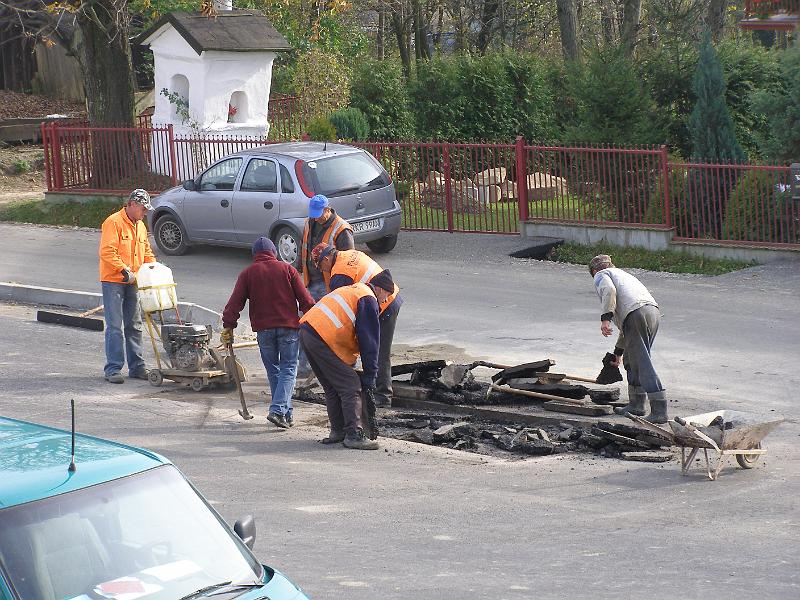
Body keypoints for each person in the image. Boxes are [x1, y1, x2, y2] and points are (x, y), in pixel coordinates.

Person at [221, 237, 315, 429]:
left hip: (264, 330)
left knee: (275, 371)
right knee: (289, 368)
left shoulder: (248, 273)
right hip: (288, 328)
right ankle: (278, 410)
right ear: (274, 252)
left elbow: (234, 304)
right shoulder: (287, 269)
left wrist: (228, 325)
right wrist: (316, 320)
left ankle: (285, 414)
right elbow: (306, 300)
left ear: (255, 255)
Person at [299, 275, 396, 450]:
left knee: (332, 386)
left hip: (308, 333)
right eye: (387, 296)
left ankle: (338, 432)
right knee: (351, 385)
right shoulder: (368, 299)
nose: (385, 301)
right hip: (322, 337)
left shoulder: (355, 291)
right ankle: (354, 435)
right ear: (380, 289)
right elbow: (369, 343)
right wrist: (370, 376)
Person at [313, 244, 402, 408]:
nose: (322, 271)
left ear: (326, 259)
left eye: (320, 266)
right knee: (375, 348)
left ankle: (383, 396)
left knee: (378, 350)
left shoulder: (339, 275)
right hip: (389, 295)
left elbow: (346, 310)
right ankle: (375, 388)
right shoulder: (348, 254)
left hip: (384, 302)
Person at [589, 254, 667, 424]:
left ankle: (659, 410)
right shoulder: (622, 275)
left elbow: (609, 291)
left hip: (636, 314)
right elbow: (626, 327)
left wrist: (605, 319)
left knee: (641, 361)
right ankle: (636, 404)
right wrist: (618, 353)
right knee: (631, 359)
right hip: (651, 312)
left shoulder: (601, 275)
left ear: (594, 270)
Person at [99, 189, 156, 384]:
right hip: (114, 280)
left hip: (134, 281)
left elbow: (146, 251)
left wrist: (153, 268)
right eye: (143, 209)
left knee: (135, 325)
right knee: (115, 327)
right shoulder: (113, 222)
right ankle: (113, 369)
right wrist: (123, 269)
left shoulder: (140, 225)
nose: (145, 213)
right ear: (131, 204)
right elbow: (107, 251)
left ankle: (137, 367)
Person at [296, 194, 354, 379]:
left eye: (319, 214)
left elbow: (348, 261)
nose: (316, 218)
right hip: (310, 283)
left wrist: (341, 291)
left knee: (329, 326)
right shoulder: (309, 223)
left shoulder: (342, 229)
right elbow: (304, 247)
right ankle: (305, 368)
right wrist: (298, 270)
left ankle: (344, 364)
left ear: (328, 209)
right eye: (313, 214)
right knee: (304, 324)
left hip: (329, 286)